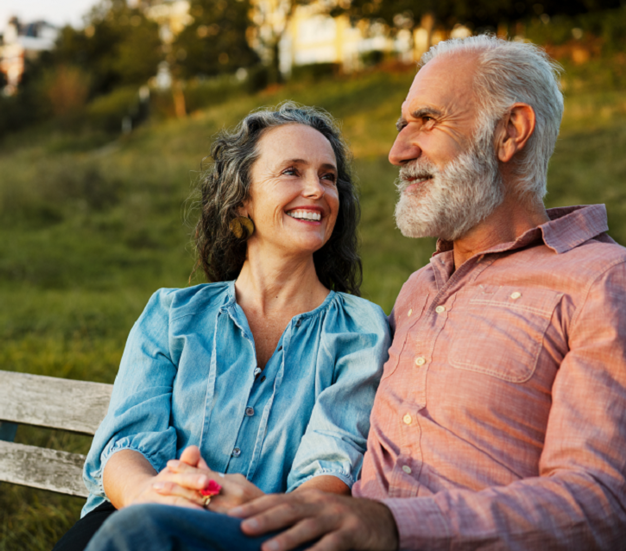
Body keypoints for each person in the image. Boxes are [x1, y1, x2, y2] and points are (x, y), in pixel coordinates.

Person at [83, 35, 626, 551]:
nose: (396, 151)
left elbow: (601, 504)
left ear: (510, 133)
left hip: (361, 535)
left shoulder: (599, 281)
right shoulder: (420, 291)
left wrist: (383, 524)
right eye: (400, 125)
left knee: (142, 536)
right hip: (312, 536)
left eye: (427, 121)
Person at [52, 102, 391, 551]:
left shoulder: (359, 329)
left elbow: (331, 465)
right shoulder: (172, 315)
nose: (317, 190)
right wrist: (149, 496)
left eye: (328, 176)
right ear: (240, 201)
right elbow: (126, 443)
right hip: (136, 521)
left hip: (264, 535)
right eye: (292, 171)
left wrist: (246, 510)